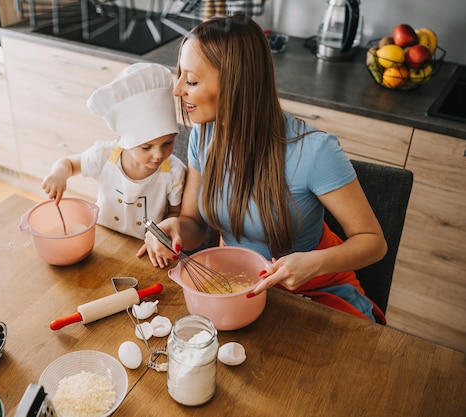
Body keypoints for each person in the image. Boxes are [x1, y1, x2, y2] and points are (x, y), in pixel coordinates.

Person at [138, 15, 388, 324]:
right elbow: (194, 223)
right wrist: (175, 227)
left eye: (191, 80)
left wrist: (314, 262)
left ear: (235, 83)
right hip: (235, 286)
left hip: (315, 292)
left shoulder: (315, 151)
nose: (177, 90)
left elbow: (373, 242)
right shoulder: (204, 135)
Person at [42, 63, 186, 240]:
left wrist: (162, 237)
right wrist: (59, 174)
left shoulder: (174, 172)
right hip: (103, 239)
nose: (159, 154)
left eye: (167, 143)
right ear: (125, 140)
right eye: (146, 147)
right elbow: (69, 164)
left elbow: (174, 212)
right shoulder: (104, 155)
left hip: (145, 248)